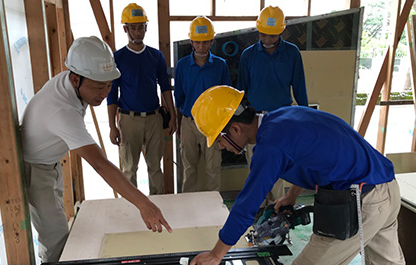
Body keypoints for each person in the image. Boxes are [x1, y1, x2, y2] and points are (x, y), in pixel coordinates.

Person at [189, 85, 405, 265]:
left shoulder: (269, 146)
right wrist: (292, 196)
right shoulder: (282, 117)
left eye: (219, 139)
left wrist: (216, 254)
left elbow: (246, 207)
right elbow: (312, 158)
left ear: (235, 129)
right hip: (387, 188)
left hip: (362, 201)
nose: (220, 146)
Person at [20, 36, 172, 263]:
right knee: (56, 240)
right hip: (35, 169)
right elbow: (100, 164)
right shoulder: (61, 110)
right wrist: (144, 204)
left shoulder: (72, 83)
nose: (104, 92)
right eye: (99, 86)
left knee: (59, 223)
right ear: (75, 79)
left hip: (50, 162)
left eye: (109, 85)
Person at [238, 6, 309, 202]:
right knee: (256, 167)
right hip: (254, 121)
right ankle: (256, 208)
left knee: (278, 167)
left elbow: (300, 88)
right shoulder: (248, 55)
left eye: (272, 36)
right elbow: (241, 92)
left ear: (281, 32)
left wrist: (305, 119)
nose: (267, 40)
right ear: (257, 31)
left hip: (282, 120)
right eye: (263, 35)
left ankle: (276, 208)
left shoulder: (292, 53)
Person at [107, 3, 176, 195]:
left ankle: (158, 205)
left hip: (154, 118)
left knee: (155, 167)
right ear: (125, 29)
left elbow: (165, 87)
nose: (137, 32)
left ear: (146, 28)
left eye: (141, 27)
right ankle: (131, 210)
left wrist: (172, 116)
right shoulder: (118, 58)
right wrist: (113, 126)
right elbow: (112, 93)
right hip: (129, 120)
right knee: (129, 169)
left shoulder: (156, 56)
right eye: (133, 27)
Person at [174, 16, 231, 192]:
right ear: (191, 41)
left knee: (213, 168)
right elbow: (179, 97)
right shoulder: (182, 66)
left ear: (212, 41)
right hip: (189, 123)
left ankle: (214, 209)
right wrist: (179, 126)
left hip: (213, 125)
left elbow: (226, 98)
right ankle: (188, 207)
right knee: (189, 169)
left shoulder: (220, 65)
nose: (201, 47)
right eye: (197, 43)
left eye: (205, 42)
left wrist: (223, 127)